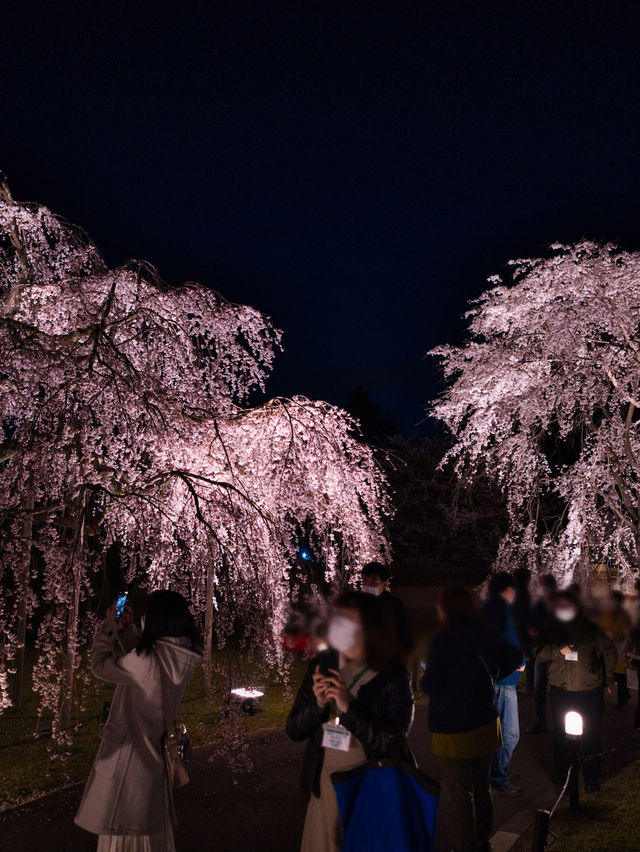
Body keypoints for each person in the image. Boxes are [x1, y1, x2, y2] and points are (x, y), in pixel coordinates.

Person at [286, 589, 414, 852]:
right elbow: (294, 730)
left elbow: (392, 740)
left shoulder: (391, 674)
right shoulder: (321, 666)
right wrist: (318, 704)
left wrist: (348, 705)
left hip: (369, 784)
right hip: (324, 783)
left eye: (348, 621)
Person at [75, 590, 203, 851]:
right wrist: (127, 630)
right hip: (152, 761)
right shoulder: (182, 656)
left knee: (125, 835)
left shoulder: (147, 661)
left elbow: (101, 665)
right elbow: (145, 664)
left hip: (128, 761)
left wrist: (110, 625)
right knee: (149, 833)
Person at [421, 586, 522, 852]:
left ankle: (465, 846)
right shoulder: (484, 634)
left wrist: (426, 677)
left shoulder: (442, 641)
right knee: (482, 787)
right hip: (484, 724)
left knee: (459, 796)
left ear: (446, 609)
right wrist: (493, 674)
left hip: (452, 729)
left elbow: (432, 684)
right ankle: (482, 840)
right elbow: (515, 656)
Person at [535, 589, 617, 793]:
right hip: (561, 690)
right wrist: (556, 648)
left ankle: (591, 778)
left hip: (588, 689)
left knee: (591, 734)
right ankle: (563, 777)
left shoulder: (591, 628)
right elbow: (537, 651)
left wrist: (608, 679)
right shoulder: (551, 629)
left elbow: (608, 652)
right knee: (561, 735)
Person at [482, 573, 526, 795]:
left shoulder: (486, 607)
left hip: (496, 677)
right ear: (508, 589)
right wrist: (520, 660)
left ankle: (500, 770)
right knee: (509, 733)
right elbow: (505, 642)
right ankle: (499, 777)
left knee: (498, 730)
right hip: (504, 679)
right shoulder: (500, 609)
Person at [361, 561, 415, 655]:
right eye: (365, 580)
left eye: (374, 581)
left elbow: (406, 639)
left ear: (384, 584)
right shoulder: (358, 604)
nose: (368, 585)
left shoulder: (394, 605)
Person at [526, 573, 557, 733]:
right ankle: (541, 722)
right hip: (543, 650)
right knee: (540, 688)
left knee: (558, 687)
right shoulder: (540, 604)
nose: (543, 589)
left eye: (545, 585)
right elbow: (531, 625)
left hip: (557, 652)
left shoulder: (560, 603)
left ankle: (560, 722)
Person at [599, 590, 633, 709]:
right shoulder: (605, 614)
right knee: (606, 673)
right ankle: (601, 700)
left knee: (620, 676)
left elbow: (627, 632)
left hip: (619, 649)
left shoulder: (624, 615)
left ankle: (622, 699)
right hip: (606, 649)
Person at [512, 567, 533, 690]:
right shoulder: (523, 592)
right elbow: (525, 612)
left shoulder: (513, 591)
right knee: (528, 657)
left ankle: (516, 684)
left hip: (516, 629)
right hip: (522, 629)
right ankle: (530, 686)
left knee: (518, 656)